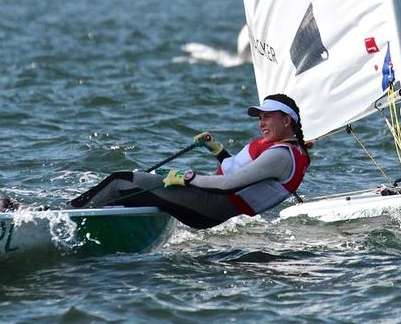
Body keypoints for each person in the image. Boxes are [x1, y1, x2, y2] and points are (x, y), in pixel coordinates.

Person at [69, 94, 310, 229]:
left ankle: (65, 217)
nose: (261, 122)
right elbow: (243, 175)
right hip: (209, 206)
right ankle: (98, 221)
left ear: (287, 120)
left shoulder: (279, 155)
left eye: (267, 117)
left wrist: (187, 179)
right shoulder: (288, 151)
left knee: (120, 180)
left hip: (207, 206)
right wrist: (216, 149)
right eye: (260, 118)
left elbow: (230, 184)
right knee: (133, 189)